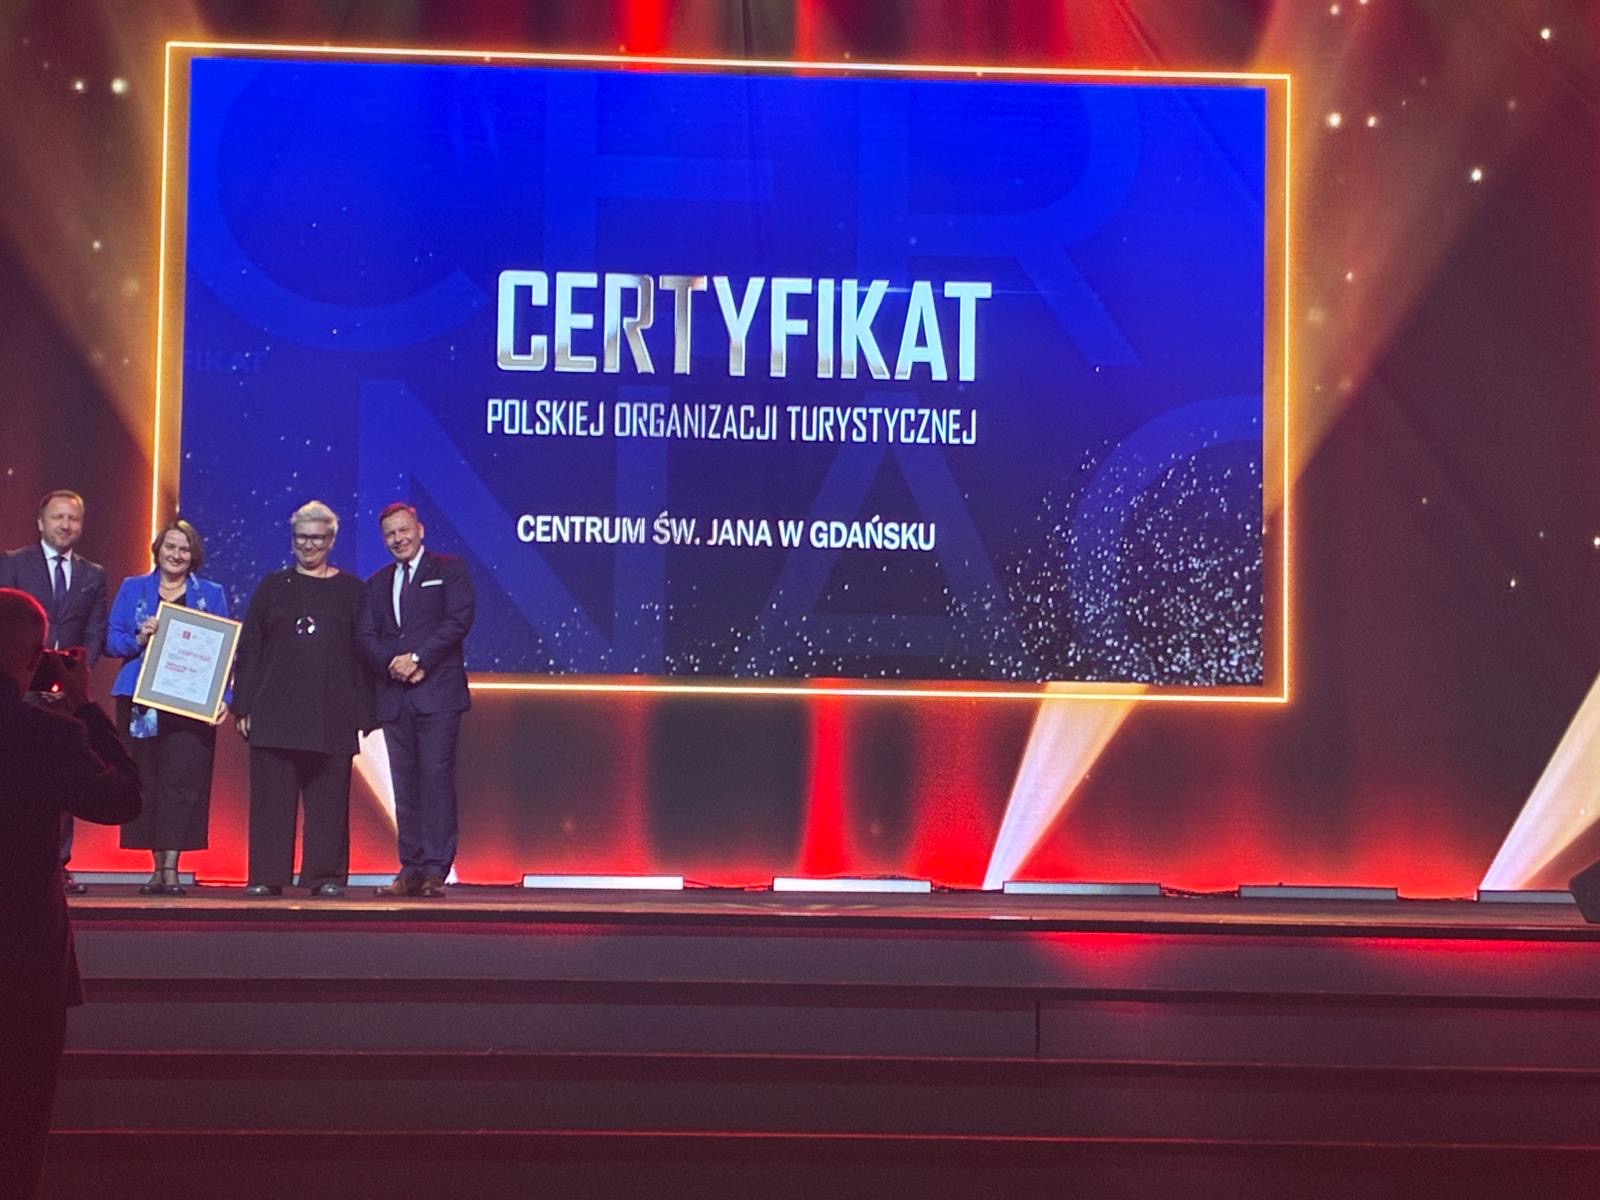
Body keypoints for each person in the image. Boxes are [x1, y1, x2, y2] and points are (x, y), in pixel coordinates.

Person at [0, 588, 141, 1198]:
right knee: (18, 1131)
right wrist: (85, 707)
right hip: (24, 962)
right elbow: (123, 798)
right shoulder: (44, 733)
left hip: (24, 963)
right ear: (35, 656)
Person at [231, 501, 371, 898]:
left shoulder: (352, 591)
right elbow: (251, 647)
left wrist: (363, 712)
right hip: (274, 710)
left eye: (317, 538)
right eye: (301, 538)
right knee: (271, 800)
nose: (308, 545)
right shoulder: (272, 586)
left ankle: (325, 876)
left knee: (329, 802)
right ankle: (266, 875)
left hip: (332, 713)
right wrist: (243, 705)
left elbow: (364, 654)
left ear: (331, 541)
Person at [106, 518, 230, 896]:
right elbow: (112, 641)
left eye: (184, 549)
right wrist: (139, 637)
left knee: (182, 783)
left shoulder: (211, 594)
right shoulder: (133, 588)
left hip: (190, 705)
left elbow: (225, 652)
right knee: (146, 780)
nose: (176, 554)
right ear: (158, 550)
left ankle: (172, 869)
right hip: (141, 702)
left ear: (194, 556)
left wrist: (224, 698)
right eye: (170, 546)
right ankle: (155, 869)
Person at [358, 502, 475, 898]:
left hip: (437, 695)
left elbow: (458, 620)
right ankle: (410, 868)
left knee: (436, 780)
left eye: (404, 530)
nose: (398, 539)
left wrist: (419, 659)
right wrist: (392, 664)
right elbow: (366, 637)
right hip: (395, 698)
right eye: (390, 534)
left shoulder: (448, 570)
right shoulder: (376, 583)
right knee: (404, 785)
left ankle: (435, 870)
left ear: (420, 530)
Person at [1, 490, 109, 894]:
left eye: (73, 519)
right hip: (18, 690)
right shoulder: (14, 563)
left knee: (64, 774)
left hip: (67, 694)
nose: (65, 525)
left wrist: (72, 680)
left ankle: (59, 864)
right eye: (58, 517)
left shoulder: (93, 574)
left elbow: (95, 632)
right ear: (41, 522)